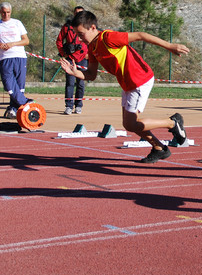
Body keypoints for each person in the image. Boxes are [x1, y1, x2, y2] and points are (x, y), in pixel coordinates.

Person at [60, 11, 189, 162]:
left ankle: (173, 122)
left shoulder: (108, 37)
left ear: (93, 27)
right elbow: (91, 75)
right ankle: (159, 148)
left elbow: (141, 35)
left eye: (81, 34)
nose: (79, 38)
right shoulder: (92, 48)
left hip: (139, 79)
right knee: (129, 124)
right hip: (128, 83)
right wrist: (76, 72)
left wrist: (169, 46)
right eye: (77, 35)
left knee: (132, 123)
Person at [0, 2, 32, 119]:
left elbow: (26, 40)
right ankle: (26, 102)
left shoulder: (17, 23)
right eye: (3, 12)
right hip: (5, 58)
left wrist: (13, 43)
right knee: (9, 85)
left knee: (19, 87)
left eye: (8, 12)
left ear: (11, 12)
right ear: (0, 12)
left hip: (19, 57)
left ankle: (14, 110)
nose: (6, 15)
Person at [56, 6, 89, 115]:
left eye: (81, 13)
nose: (78, 15)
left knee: (80, 83)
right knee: (70, 82)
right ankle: (69, 106)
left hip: (82, 58)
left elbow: (92, 41)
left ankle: (78, 105)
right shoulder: (67, 26)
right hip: (70, 58)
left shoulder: (87, 27)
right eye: (76, 13)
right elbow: (59, 40)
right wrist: (63, 53)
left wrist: (89, 54)